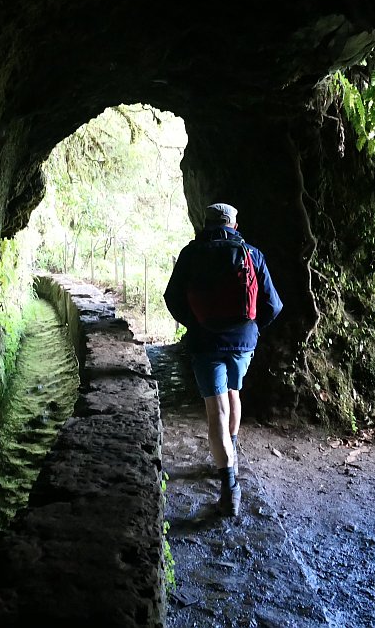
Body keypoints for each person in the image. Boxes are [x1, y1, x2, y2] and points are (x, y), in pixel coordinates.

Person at [164, 202, 283, 516]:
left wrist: (195, 322)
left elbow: (172, 297)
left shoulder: (191, 253)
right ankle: (229, 452)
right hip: (243, 342)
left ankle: (230, 488)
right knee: (234, 393)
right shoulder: (252, 254)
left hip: (206, 342)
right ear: (233, 223)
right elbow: (273, 305)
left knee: (216, 409)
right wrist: (251, 328)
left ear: (206, 222)